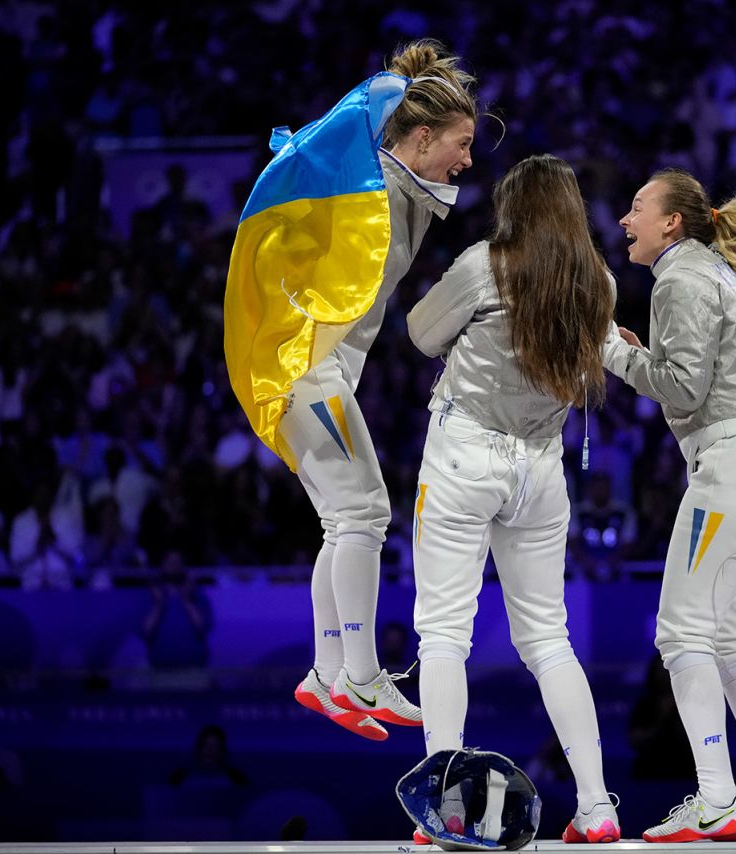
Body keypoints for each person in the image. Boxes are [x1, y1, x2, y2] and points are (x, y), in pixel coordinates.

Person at [227, 40, 480, 740]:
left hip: (319, 368)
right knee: (366, 513)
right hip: (304, 365)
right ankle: (363, 678)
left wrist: (410, 84)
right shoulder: (364, 175)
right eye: (460, 143)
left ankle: (329, 673)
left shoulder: (410, 188)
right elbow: (355, 118)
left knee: (345, 521)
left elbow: (388, 117)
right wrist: (391, 90)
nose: (467, 160)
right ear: (421, 135)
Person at [406, 154, 619, 844]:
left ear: (513, 207)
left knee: (443, 631)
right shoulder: (598, 282)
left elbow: (419, 333)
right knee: (549, 640)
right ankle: (597, 807)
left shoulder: (484, 264)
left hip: (467, 453)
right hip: (540, 469)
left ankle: (447, 811)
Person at [605, 169, 736, 843]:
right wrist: (649, 357)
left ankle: (718, 797)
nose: (624, 219)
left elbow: (683, 391)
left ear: (672, 223)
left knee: (680, 634)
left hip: (733, 468)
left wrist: (612, 354)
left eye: (637, 207)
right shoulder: (721, 275)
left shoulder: (681, 278)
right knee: (727, 640)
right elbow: (701, 374)